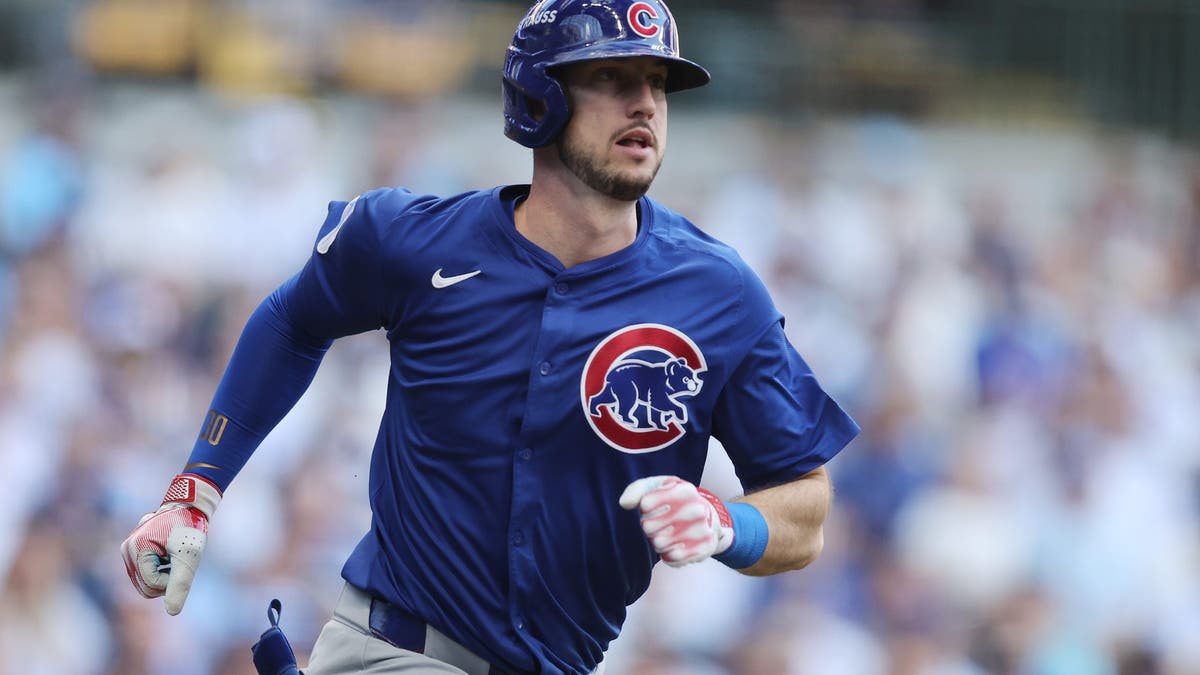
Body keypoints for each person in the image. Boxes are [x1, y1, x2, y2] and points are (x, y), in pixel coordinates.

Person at [120, 1, 860, 673]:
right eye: (612, 77)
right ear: (540, 97)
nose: (645, 102)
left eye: (658, 82)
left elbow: (805, 507)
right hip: (397, 651)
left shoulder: (719, 293)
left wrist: (729, 522)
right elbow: (292, 319)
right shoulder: (413, 242)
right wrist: (196, 490)